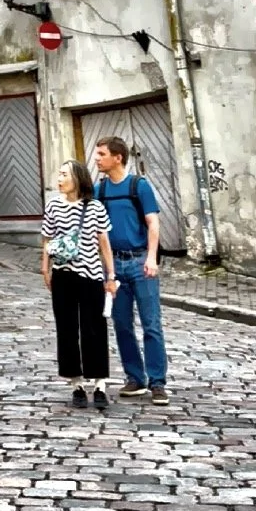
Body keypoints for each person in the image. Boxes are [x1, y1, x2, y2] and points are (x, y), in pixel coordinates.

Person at [94, 135, 170, 405]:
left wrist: (151, 258)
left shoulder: (139, 186)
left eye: (102, 154)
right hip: (114, 265)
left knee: (151, 324)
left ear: (118, 158)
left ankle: (158, 382)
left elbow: (153, 223)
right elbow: (96, 230)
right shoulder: (100, 190)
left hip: (139, 261)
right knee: (122, 324)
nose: (97, 159)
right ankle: (135, 378)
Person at [41, 161, 117, 410]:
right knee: (66, 328)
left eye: (64, 175)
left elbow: (104, 243)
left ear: (77, 178)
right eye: (59, 174)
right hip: (63, 275)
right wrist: (45, 267)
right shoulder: (53, 206)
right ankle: (76, 384)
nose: (60, 179)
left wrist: (110, 275)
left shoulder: (95, 207)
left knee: (94, 328)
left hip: (91, 275)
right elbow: (47, 238)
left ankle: (100, 384)